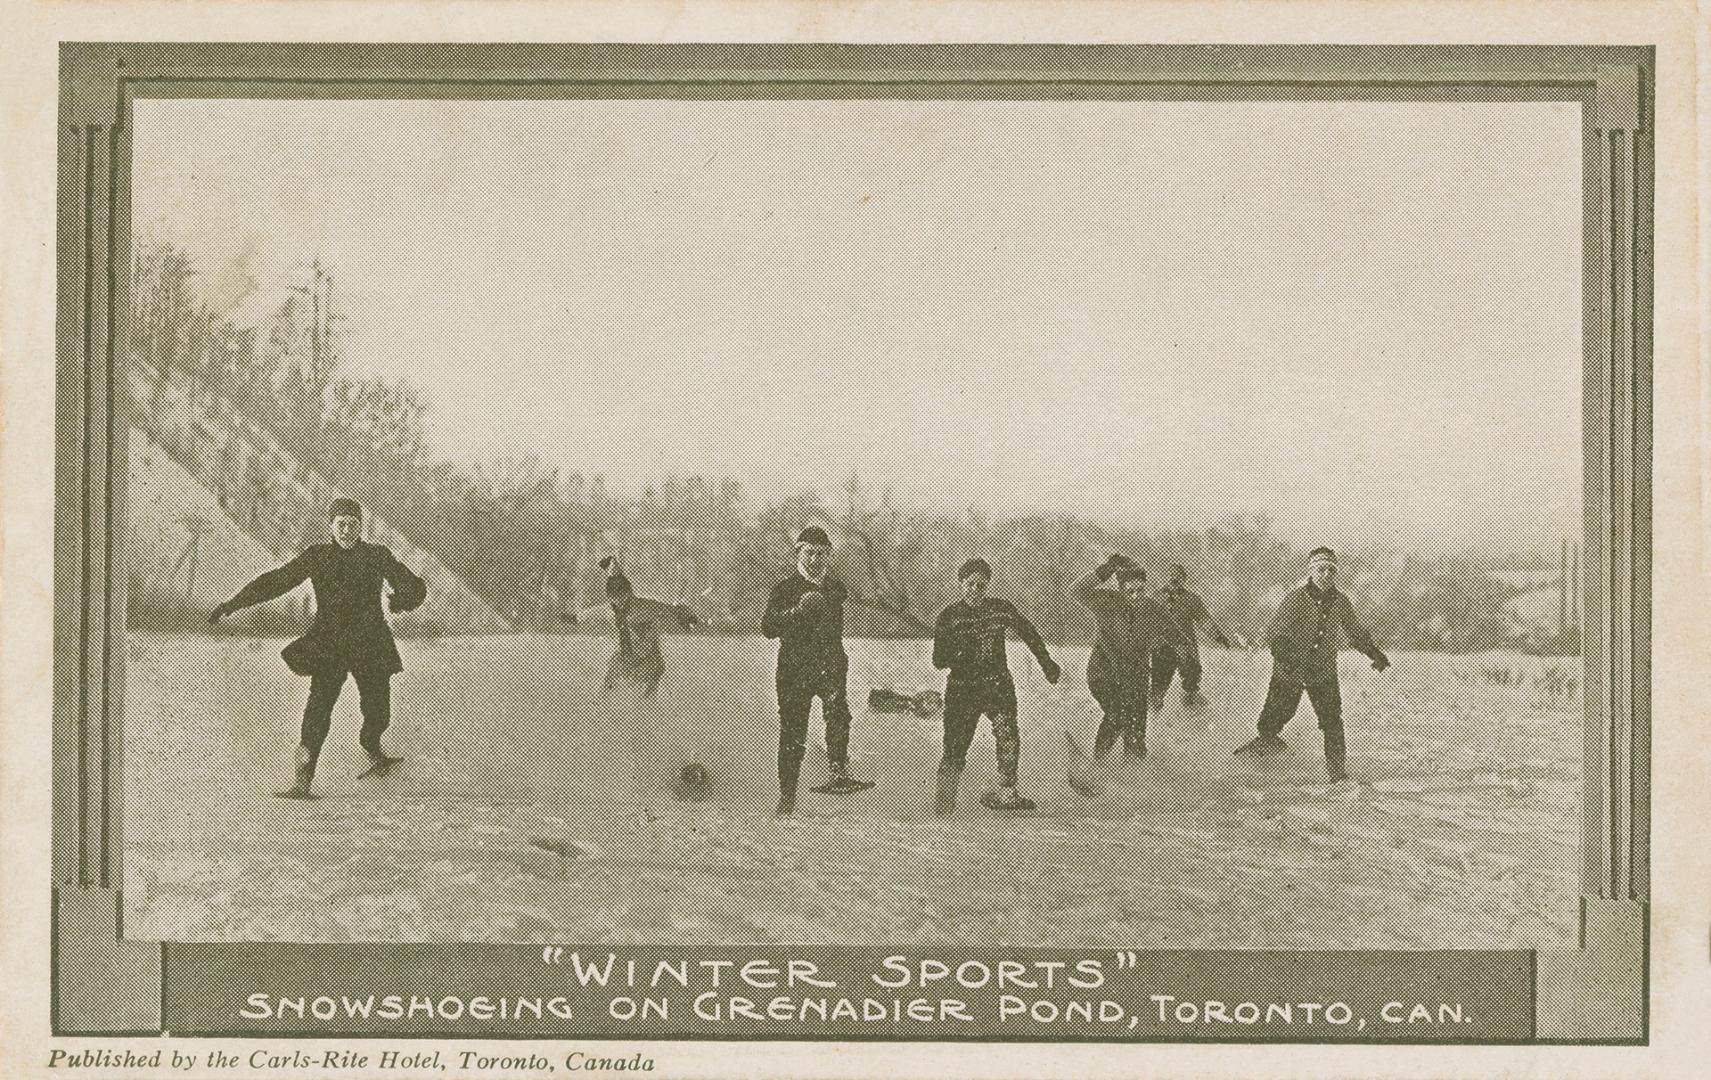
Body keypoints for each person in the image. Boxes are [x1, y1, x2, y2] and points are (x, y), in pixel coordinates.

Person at [209, 497, 426, 800]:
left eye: (353, 525)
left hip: (370, 644)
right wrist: (232, 605)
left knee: (378, 712)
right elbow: (275, 581)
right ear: (331, 526)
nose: (347, 531)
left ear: (361, 527)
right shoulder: (318, 556)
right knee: (317, 712)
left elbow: (415, 585)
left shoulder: (377, 556)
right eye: (341, 525)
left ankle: (370, 742)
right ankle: (303, 779)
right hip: (331, 646)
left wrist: (403, 600)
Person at [1234, 547, 1390, 782]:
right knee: (1273, 720)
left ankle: (1337, 773)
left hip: (1323, 671)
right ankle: (1249, 764)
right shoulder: (1296, 598)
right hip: (1290, 670)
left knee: (1332, 721)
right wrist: (1285, 654)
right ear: (1311, 571)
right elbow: (1276, 632)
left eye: (1331, 570)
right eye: (1321, 569)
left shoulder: (1341, 601)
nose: (1326, 574)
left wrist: (1374, 653)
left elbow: (1355, 632)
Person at [930, 558, 1061, 814]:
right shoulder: (949, 617)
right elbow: (938, 660)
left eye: (981, 585)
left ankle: (1007, 792)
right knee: (955, 746)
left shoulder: (999, 609)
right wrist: (960, 652)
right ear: (961, 584)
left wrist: (1046, 662)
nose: (975, 590)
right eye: (970, 584)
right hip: (962, 688)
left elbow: (1028, 631)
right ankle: (944, 803)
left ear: (988, 585)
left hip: (996, 684)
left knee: (1007, 734)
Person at [762, 526, 871, 814]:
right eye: (809, 553)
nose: (815, 560)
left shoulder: (834, 587)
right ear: (798, 553)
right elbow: (767, 627)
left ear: (829, 556)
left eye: (821, 554)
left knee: (838, 713)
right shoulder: (785, 588)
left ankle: (838, 770)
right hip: (794, 668)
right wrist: (796, 612)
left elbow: (841, 592)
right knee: (792, 732)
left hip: (829, 663)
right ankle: (787, 794)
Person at [1071, 554, 1190, 761]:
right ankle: (1097, 764)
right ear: (1120, 590)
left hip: (1136, 678)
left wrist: (1185, 659)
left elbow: (1177, 637)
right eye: (1130, 591)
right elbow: (1076, 591)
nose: (1136, 596)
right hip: (1103, 673)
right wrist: (1106, 569)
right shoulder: (1106, 601)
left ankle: (1133, 777)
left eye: (1141, 590)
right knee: (1118, 714)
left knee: (1135, 734)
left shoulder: (1152, 609)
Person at [585, 556, 700, 698]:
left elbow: (670, 610)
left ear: (628, 593)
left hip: (648, 659)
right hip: (625, 659)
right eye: (614, 599)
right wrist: (571, 618)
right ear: (610, 597)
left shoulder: (645, 607)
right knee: (612, 674)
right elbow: (590, 613)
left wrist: (688, 617)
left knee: (649, 687)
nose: (619, 603)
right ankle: (602, 703)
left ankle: (648, 705)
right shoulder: (610, 609)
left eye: (622, 598)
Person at [1150, 563, 1234, 716]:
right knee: (1159, 681)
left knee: (1192, 673)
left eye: (1178, 577)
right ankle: (1153, 714)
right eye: (1171, 576)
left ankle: (1191, 706)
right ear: (1166, 578)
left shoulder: (1191, 600)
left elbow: (1204, 621)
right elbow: (1144, 622)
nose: (1174, 579)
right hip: (1162, 647)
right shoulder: (1155, 598)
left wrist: (1219, 636)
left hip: (1185, 646)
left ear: (1183, 580)